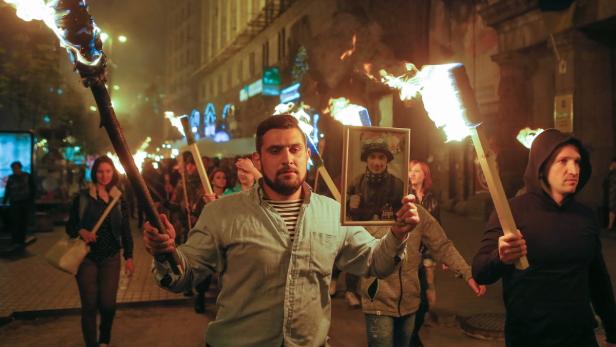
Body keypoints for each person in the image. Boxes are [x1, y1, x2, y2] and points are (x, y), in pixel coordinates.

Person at [143, 115, 421, 346]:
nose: (287, 158)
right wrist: (165, 252)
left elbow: (375, 262)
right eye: (275, 150)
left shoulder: (333, 213)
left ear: (307, 155)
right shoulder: (221, 213)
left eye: (295, 149)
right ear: (258, 159)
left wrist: (397, 234)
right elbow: (184, 275)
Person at [472, 129, 616, 347]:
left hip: (580, 337)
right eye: (563, 161)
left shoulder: (585, 216)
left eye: (577, 162)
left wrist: (613, 328)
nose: (573, 170)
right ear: (542, 167)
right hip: (529, 337)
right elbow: (480, 271)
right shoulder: (512, 212)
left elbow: (598, 278)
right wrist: (500, 257)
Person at [360, 210, 486, 347]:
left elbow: (442, 245)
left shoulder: (417, 213)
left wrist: (467, 272)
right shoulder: (369, 213)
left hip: (409, 302)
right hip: (378, 301)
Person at [66, 155, 134, 347]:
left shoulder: (118, 198)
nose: (104, 175)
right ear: (94, 173)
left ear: (113, 173)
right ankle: (91, 344)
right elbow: (70, 226)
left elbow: (125, 230)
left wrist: (129, 256)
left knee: (108, 305)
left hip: (111, 257)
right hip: (86, 257)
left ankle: (104, 339)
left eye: (108, 171)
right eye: (100, 171)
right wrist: (82, 231)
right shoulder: (83, 197)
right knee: (89, 305)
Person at [408, 160, 440, 347]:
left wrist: (442, 255)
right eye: (410, 170)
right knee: (415, 288)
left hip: (427, 249)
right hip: (410, 250)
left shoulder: (432, 198)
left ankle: (426, 314)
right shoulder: (404, 194)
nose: (412, 174)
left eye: (417, 171)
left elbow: (438, 227)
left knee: (428, 284)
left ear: (424, 175)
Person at [347, 139, 404, 221]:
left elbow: (404, 217)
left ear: (387, 160)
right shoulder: (356, 183)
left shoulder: (398, 185)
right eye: (372, 157)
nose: (377, 163)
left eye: (381, 157)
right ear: (366, 159)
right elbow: (343, 214)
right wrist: (349, 205)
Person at [3, 161, 36, 247]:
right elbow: (8, 190)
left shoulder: (27, 176)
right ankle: (15, 240)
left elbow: (32, 188)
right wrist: (5, 201)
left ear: (20, 168)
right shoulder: (11, 178)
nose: (15, 170)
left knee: (23, 221)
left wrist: (31, 200)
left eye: (16, 168)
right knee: (15, 221)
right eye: (13, 168)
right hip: (14, 202)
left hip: (25, 202)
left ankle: (21, 240)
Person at [605, 157, 616, 231]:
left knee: (612, 208)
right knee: (612, 208)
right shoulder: (612, 172)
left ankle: (610, 226)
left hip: (613, 192)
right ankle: (610, 226)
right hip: (612, 192)